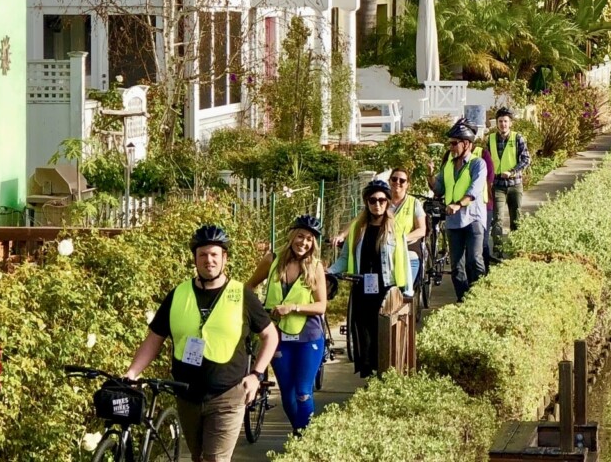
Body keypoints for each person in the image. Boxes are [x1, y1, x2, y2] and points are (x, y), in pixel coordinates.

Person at [124, 225, 277, 462]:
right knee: (198, 457)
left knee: (214, 459)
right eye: (203, 255)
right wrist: (132, 372)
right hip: (187, 395)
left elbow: (270, 336)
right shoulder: (178, 294)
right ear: (195, 258)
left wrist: (256, 375)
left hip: (227, 394)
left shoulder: (242, 295)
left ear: (224, 258)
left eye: (214, 254)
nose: (209, 260)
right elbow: (154, 339)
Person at [245, 215, 327, 435]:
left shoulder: (315, 267)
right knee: (287, 394)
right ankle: (299, 434)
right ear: (291, 236)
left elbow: (321, 306)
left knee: (303, 392)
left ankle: (305, 438)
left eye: (310, 239)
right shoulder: (272, 260)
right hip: (278, 337)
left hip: (308, 337)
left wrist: (294, 307)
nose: (304, 242)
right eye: (301, 236)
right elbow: (249, 286)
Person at [328, 179, 411, 377]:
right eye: (373, 200)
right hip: (362, 287)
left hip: (386, 288)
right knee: (363, 333)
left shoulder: (395, 229)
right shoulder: (357, 228)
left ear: (388, 202)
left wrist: (407, 291)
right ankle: (370, 371)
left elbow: (404, 259)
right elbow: (344, 258)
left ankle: (382, 371)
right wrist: (328, 272)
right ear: (366, 202)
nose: (377, 205)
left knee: (382, 332)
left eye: (382, 200)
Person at [434, 118, 488, 300]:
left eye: (454, 143)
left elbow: (474, 190)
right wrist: (429, 174)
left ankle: (479, 298)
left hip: (473, 219)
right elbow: (439, 188)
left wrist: (458, 204)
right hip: (453, 222)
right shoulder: (448, 165)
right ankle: (463, 301)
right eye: (450, 143)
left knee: (474, 260)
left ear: (466, 144)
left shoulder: (477, 164)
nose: (451, 147)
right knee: (457, 266)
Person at [484, 107, 531, 257]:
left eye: (505, 121)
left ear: (510, 123)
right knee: (497, 219)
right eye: (500, 121)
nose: (503, 124)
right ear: (496, 123)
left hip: (515, 184)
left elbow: (526, 159)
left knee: (515, 217)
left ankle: (516, 247)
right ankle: (498, 249)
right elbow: (486, 161)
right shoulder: (490, 139)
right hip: (497, 185)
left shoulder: (518, 138)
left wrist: (512, 172)